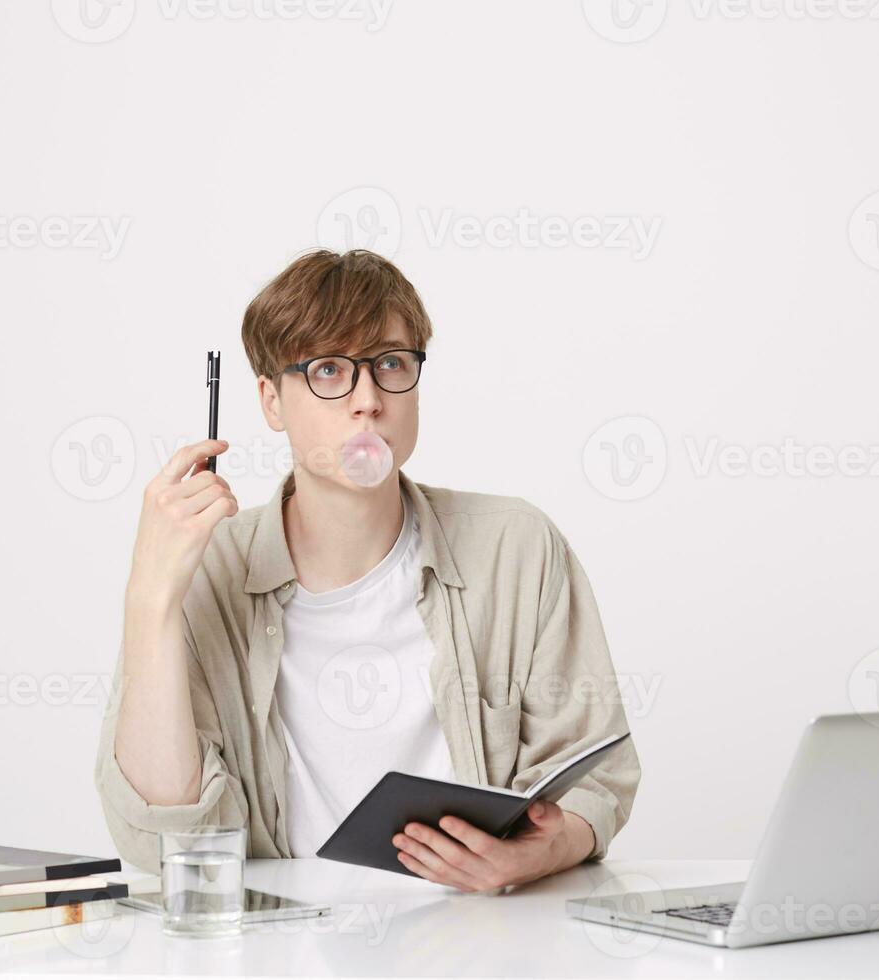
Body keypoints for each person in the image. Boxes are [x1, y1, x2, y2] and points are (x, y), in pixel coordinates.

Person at [95, 249, 640, 892]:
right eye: (328, 369)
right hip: (280, 951)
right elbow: (164, 839)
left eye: (389, 364)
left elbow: (594, 776)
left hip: (481, 941)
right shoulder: (203, 568)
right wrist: (150, 599)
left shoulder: (516, 546)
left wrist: (541, 852)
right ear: (271, 400)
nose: (367, 401)